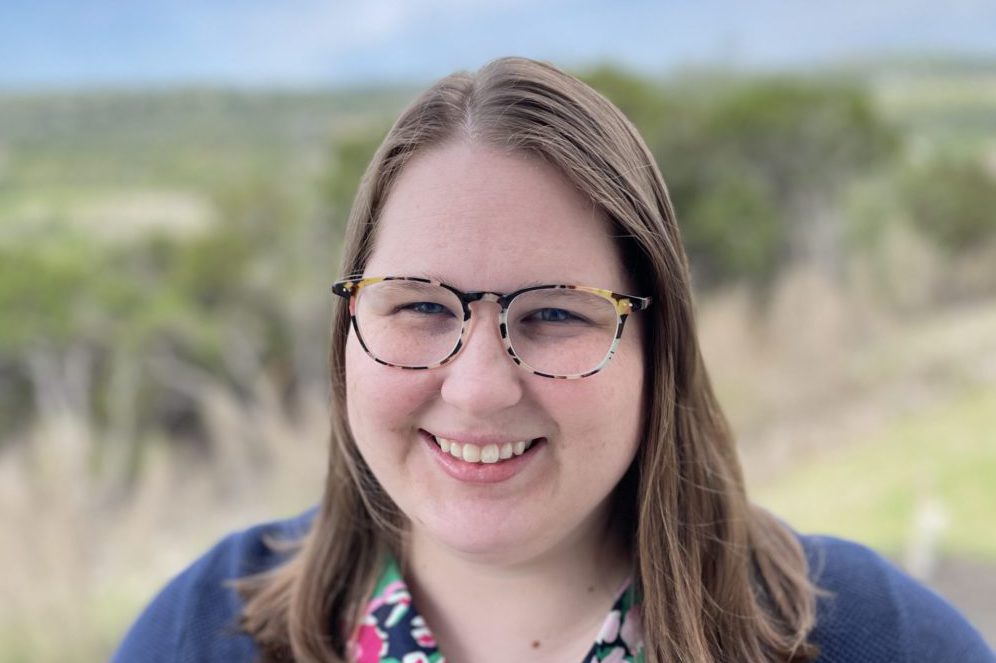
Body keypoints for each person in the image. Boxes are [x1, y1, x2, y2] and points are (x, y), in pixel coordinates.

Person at [112, 57, 994, 663]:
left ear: (659, 348)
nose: (480, 387)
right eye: (419, 305)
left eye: (554, 314)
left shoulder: (869, 637)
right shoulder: (205, 631)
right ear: (347, 326)